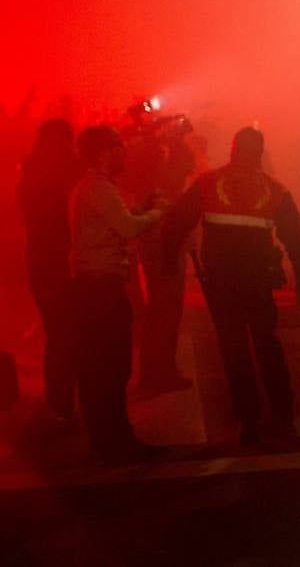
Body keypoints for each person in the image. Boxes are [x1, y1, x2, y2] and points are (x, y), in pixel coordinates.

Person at [162, 127, 300, 445]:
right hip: (258, 282)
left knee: (234, 351)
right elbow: (297, 239)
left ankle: (249, 422)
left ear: (232, 150)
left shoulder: (208, 184)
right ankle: (283, 416)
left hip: (222, 284)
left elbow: (175, 223)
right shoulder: (274, 189)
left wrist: (165, 266)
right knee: (267, 346)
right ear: (259, 153)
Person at [69, 125, 163, 463]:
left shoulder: (97, 188)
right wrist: (156, 214)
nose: (125, 152)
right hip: (100, 290)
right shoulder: (97, 188)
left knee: (108, 366)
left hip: (97, 287)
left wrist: (140, 210)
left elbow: (119, 221)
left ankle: (112, 438)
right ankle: (112, 442)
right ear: (104, 153)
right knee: (109, 366)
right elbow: (127, 227)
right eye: (119, 146)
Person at [121, 104, 196, 393]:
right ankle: (158, 371)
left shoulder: (138, 154)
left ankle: (154, 369)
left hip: (153, 236)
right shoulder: (154, 157)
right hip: (164, 236)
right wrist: (176, 142)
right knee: (166, 306)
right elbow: (178, 174)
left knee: (159, 305)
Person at [16, 119, 83, 424]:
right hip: (59, 261)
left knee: (58, 333)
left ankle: (60, 399)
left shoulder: (29, 173)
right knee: (65, 334)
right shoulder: (63, 175)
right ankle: (62, 402)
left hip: (39, 260)